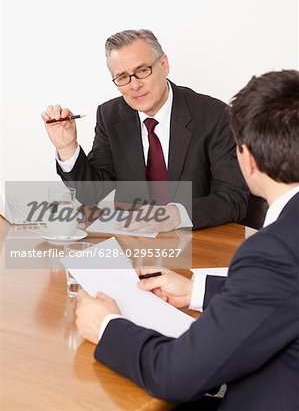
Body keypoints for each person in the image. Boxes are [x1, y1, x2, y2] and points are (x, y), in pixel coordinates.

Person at [75, 70, 299, 410]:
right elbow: (285, 292)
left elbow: (174, 374)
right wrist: (197, 290)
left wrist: (106, 326)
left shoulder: (274, 250)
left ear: (248, 159)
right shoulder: (283, 248)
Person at [41, 29, 248, 231]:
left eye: (142, 71)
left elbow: (233, 199)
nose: (134, 85)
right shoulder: (110, 115)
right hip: (135, 245)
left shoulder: (215, 116)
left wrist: (177, 215)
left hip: (199, 246)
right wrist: (68, 147)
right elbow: (92, 194)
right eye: (122, 77)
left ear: (164, 65)